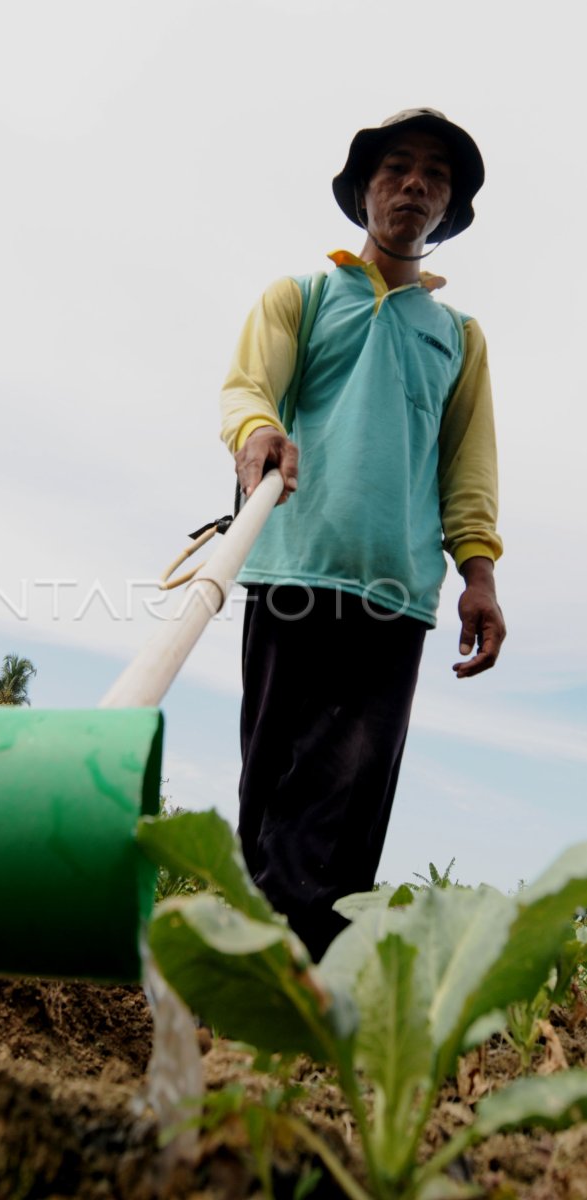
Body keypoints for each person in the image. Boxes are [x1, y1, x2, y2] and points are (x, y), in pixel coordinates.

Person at [219, 108, 506, 961]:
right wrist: (256, 434)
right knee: (269, 788)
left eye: (434, 175)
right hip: (290, 567)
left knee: (344, 803)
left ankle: (305, 989)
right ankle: (249, 975)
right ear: (364, 191)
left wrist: (478, 575)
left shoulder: (457, 338)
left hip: (393, 592)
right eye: (396, 168)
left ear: (446, 209)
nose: (414, 184)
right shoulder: (299, 298)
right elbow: (247, 390)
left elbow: (467, 467)